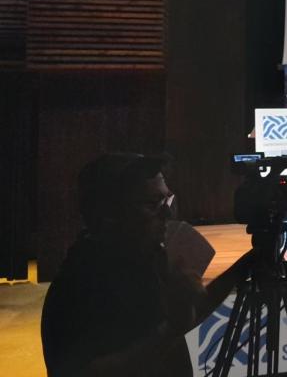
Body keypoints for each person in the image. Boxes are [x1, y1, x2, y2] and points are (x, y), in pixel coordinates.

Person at [40, 152, 251, 377]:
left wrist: (248, 264)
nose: (167, 212)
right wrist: (170, 330)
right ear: (108, 214)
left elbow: (188, 311)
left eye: (167, 200)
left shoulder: (148, 257)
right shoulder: (78, 284)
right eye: (152, 204)